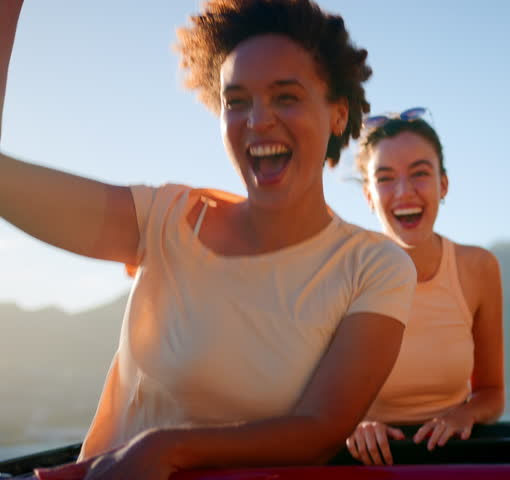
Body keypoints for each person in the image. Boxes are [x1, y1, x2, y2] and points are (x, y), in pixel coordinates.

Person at [0, 1, 418, 479]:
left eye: (285, 97)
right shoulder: (165, 221)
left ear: (338, 115)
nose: (257, 120)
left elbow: (319, 428)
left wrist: (165, 450)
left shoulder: (375, 266)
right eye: (236, 101)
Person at [344, 109, 505, 465]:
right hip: (366, 464)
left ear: (442, 184)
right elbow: (307, 397)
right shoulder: (341, 271)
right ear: (369, 195)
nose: (404, 192)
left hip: (451, 459)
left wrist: (464, 415)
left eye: (420, 174)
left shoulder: (478, 268)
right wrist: (353, 424)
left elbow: (492, 394)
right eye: (385, 179)